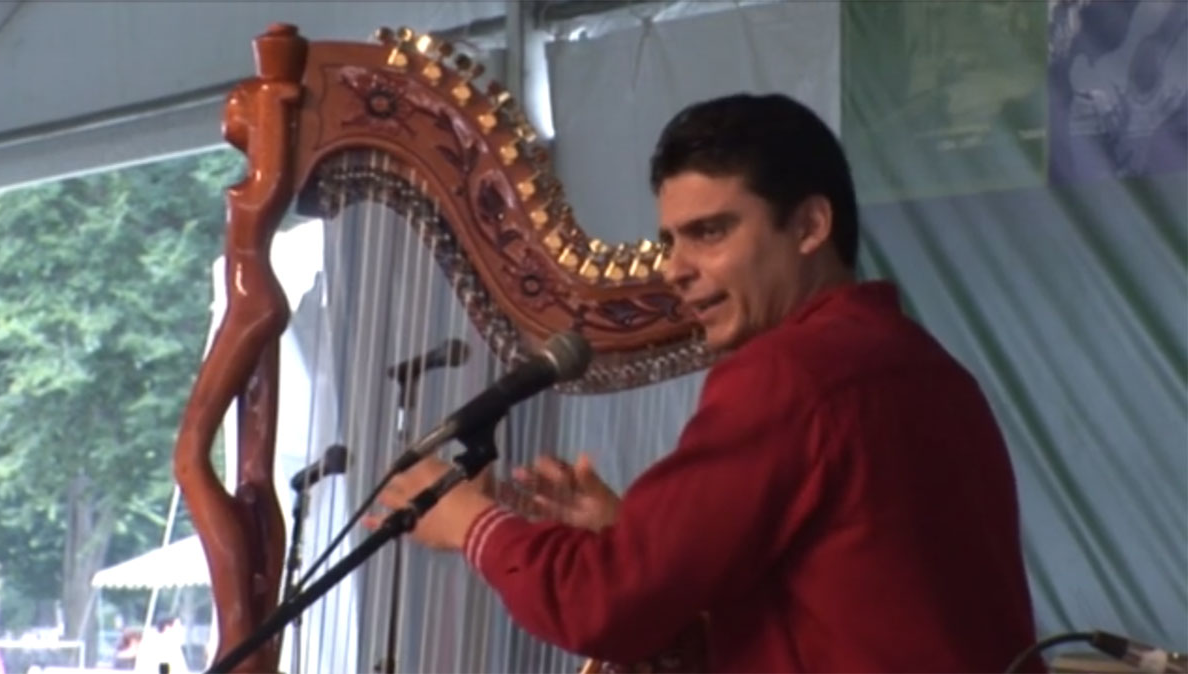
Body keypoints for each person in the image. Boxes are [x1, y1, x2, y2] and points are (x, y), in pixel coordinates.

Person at [372, 93, 1043, 672]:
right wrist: (631, 529)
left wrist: (472, 524)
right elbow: (848, 592)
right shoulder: (928, 367)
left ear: (810, 225)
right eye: (671, 239)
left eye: (710, 233)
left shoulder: (790, 373)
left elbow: (602, 608)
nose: (675, 268)